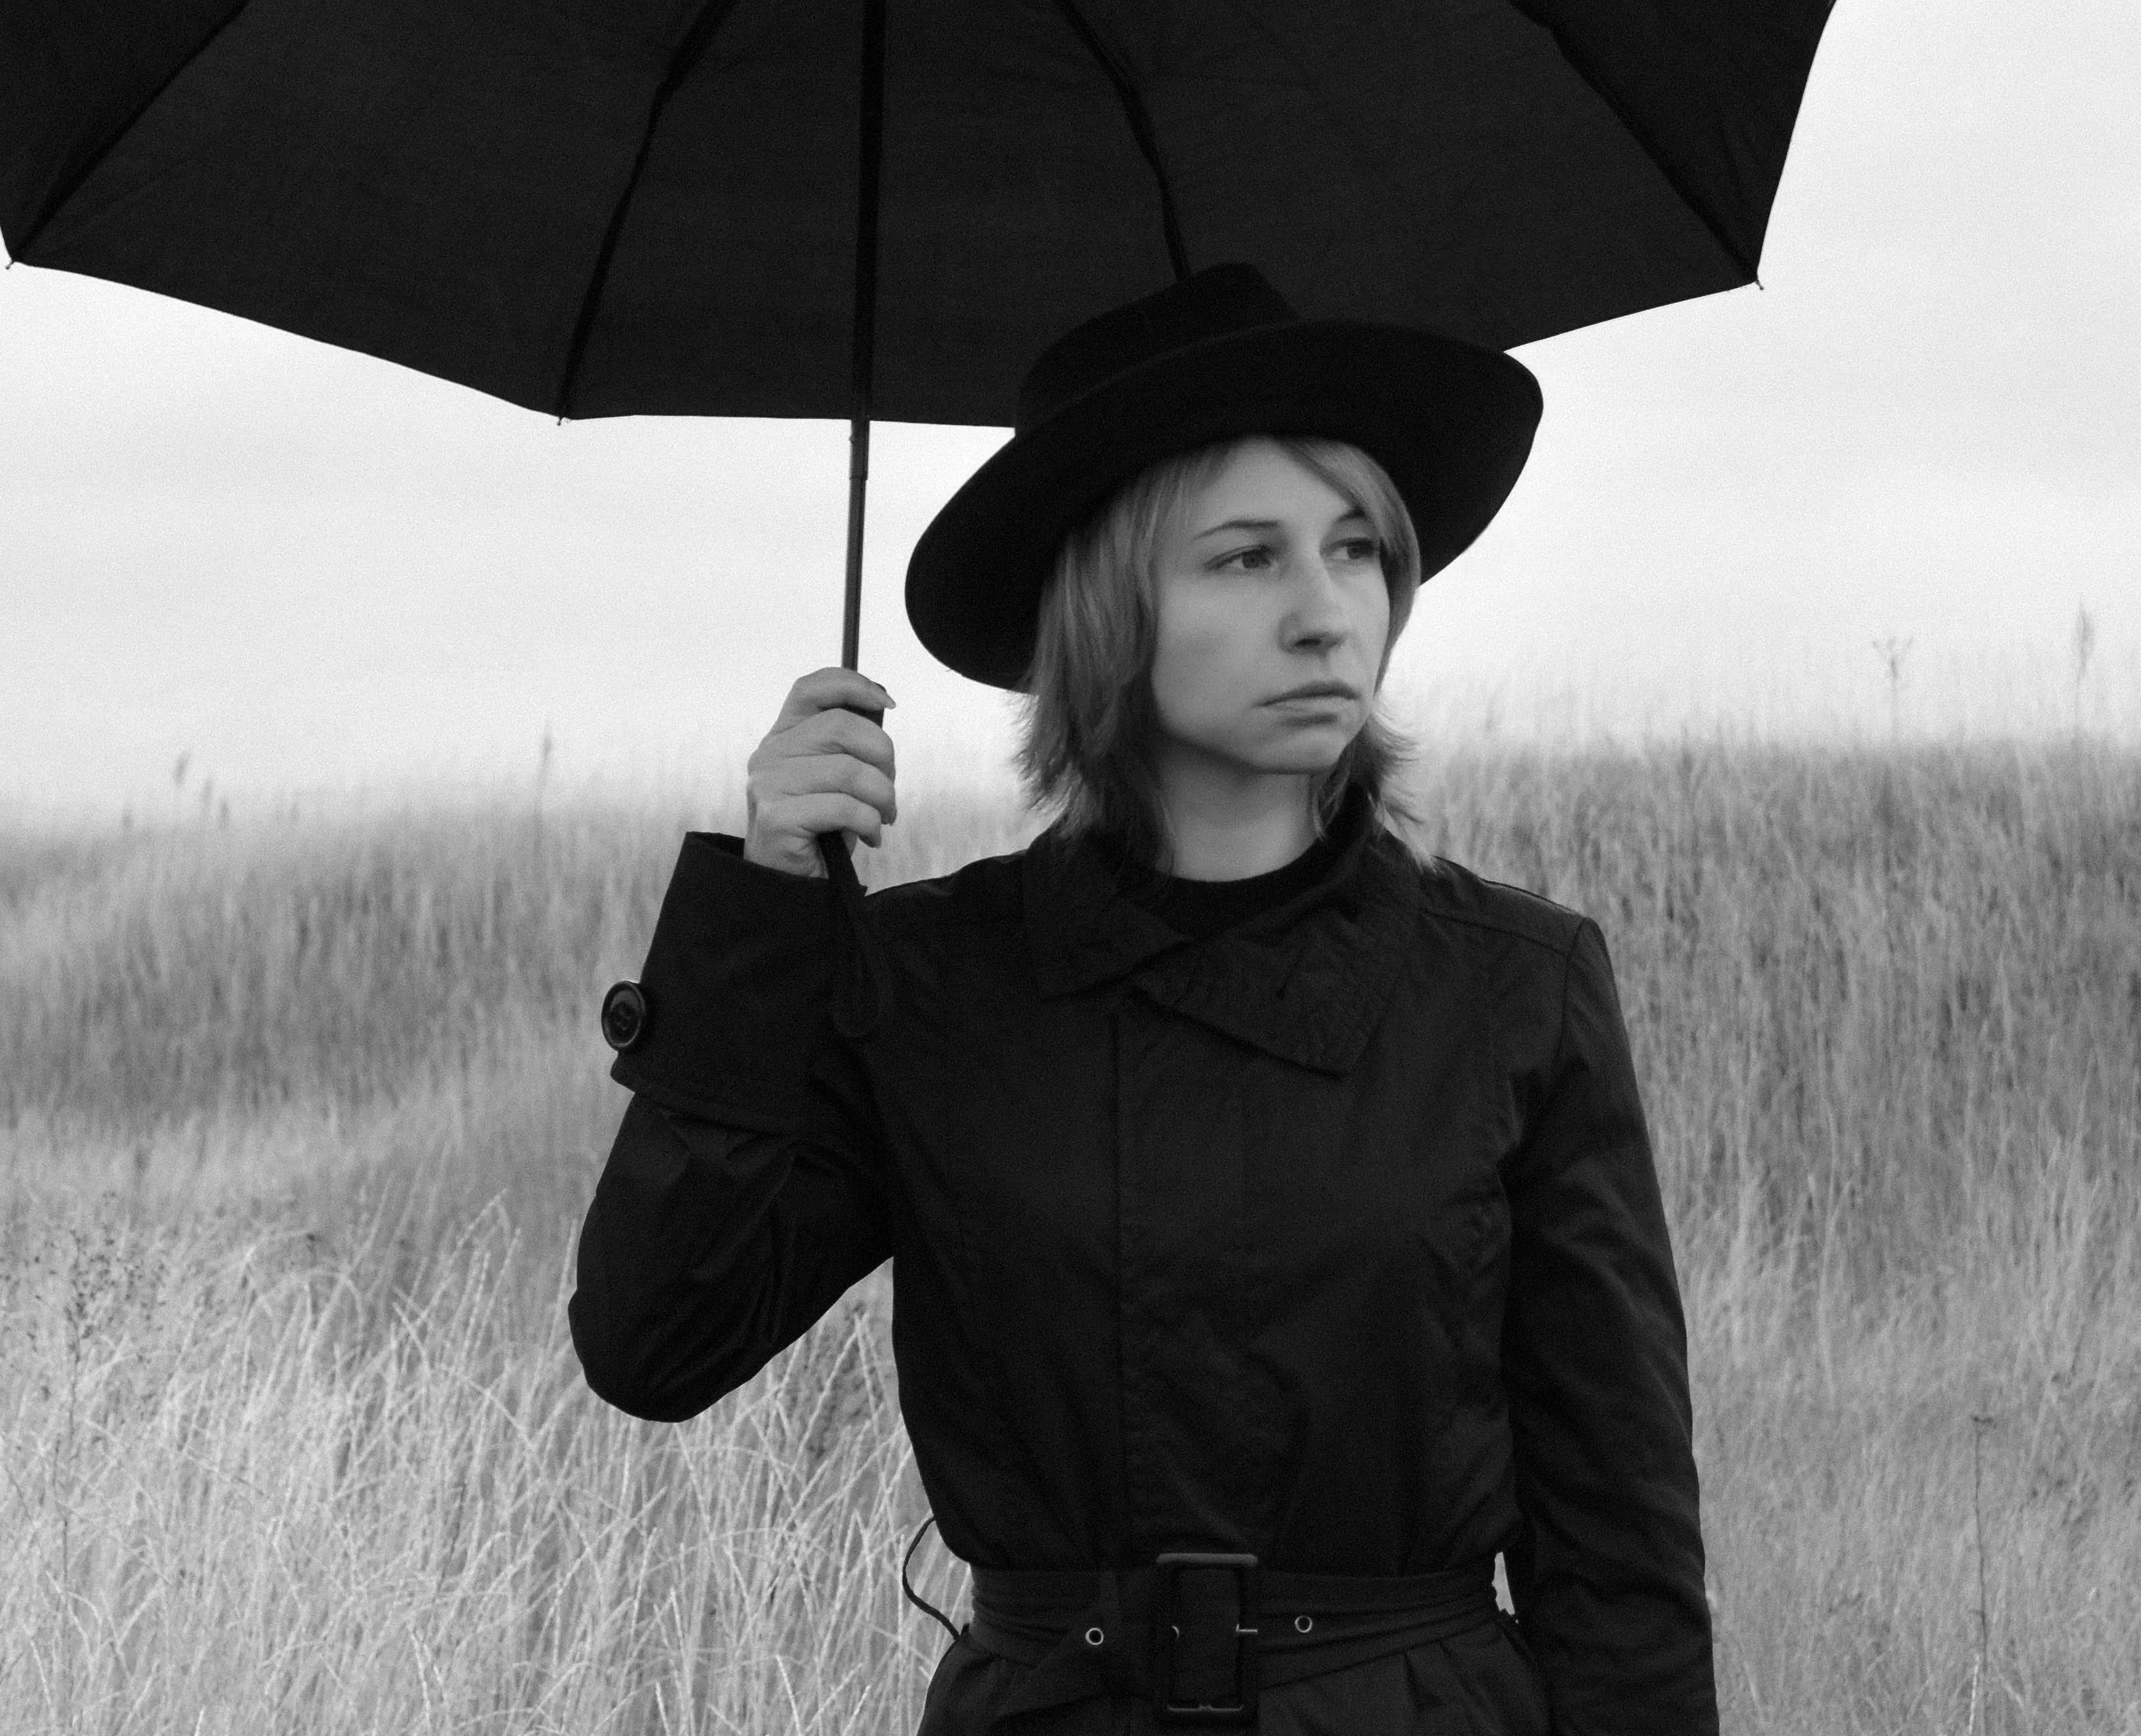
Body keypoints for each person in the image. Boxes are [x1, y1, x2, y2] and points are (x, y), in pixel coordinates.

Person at [569, 266, 1714, 1735]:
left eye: (1357, 550)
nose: (1327, 615)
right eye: (1244, 559)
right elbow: (655, 1345)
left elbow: (1617, 1541)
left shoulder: (1510, 986)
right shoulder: (932, 986)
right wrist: (768, 909)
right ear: (1105, 610)